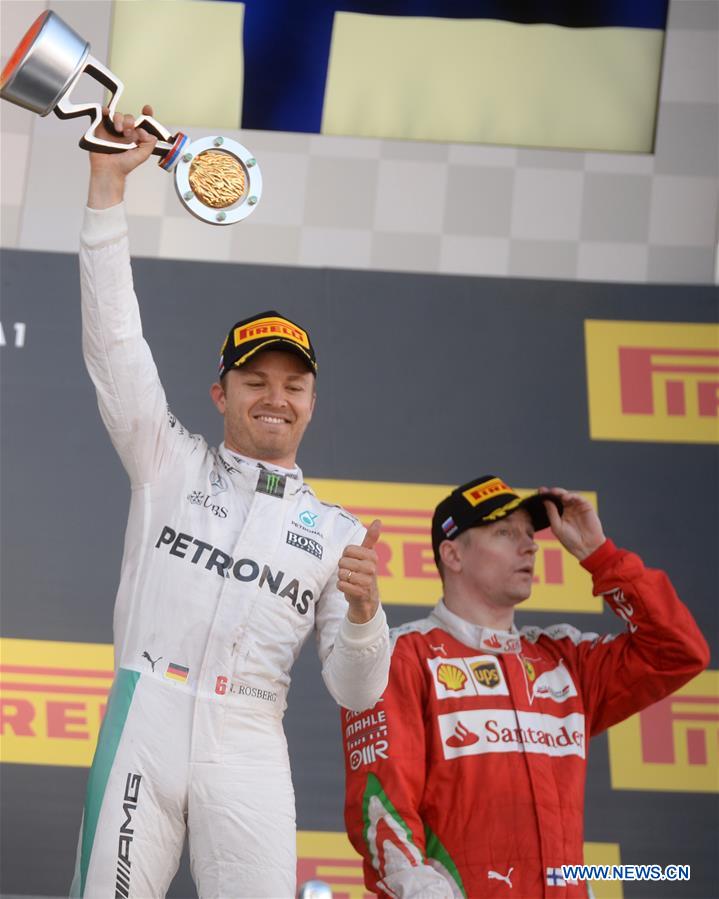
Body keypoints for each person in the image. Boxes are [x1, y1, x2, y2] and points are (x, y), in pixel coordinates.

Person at [70, 107, 390, 899]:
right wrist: (106, 191)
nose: (275, 397)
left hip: (249, 735)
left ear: (313, 401)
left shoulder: (338, 533)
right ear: (221, 392)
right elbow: (116, 345)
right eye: (256, 380)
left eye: (293, 384)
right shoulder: (166, 460)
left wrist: (364, 614)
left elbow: (357, 691)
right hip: (146, 709)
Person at [342, 474, 709, 898]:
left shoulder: (565, 660)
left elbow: (679, 651)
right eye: (504, 533)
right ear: (453, 554)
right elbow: (382, 810)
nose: (530, 545)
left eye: (529, 535)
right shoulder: (404, 657)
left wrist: (600, 556)